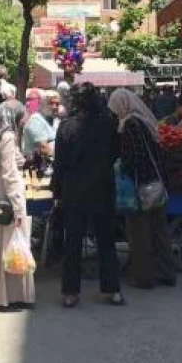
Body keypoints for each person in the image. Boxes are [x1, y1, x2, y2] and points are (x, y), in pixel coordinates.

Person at [52, 83, 123, 308]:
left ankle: (70, 292)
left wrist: (57, 190)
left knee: (72, 241)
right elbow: (116, 153)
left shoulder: (66, 126)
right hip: (102, 187)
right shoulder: (108, 124)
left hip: (74, 189)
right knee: (106, 240)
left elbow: (60, 162)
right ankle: (112, 290)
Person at [108, 89, 176, 290]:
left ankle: (144, 277)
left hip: (141, 187)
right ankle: (166, 273)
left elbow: (134, 158)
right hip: (156, 185)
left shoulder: (130, 124)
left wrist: (118, 165)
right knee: (160, 232)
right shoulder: (144, 120)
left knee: (140, 234)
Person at [0, 101, 35, 311]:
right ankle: (18, 295)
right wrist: (19, 208)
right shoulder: (8, 137)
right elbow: (11, 174)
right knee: (15, 246)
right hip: (8, 196)